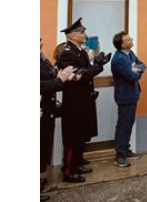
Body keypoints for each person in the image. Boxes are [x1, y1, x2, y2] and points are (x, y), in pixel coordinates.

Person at [56, 18, 112, 183]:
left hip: (83, 100)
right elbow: (79, 77)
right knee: (73, 136)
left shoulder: (79, 51)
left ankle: (78, 163)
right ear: (72, 35)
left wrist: (96, 63)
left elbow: (86, 71)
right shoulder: (67, 53)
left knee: (81, 134)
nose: (85, 34)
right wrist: (98, 66)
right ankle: (68, 170)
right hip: (74, 102)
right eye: (82, 32)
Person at [41, 38, 75, 201]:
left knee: (44, 145)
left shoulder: (42, 59)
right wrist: (60, 79)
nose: (41, 42)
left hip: (48, 109)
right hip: (42, 109)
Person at [111, 31, 146, 168]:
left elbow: (142, 65)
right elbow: (132, 77)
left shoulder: (129, 54)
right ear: (122, 44)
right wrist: (136, 71)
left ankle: (126, 149)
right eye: (128, 39)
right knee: (123, 124)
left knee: (129, 123)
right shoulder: (119, 59)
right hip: (124, 95)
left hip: (132, 94)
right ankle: (120, 154)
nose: (131, 40)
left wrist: (136, 69)